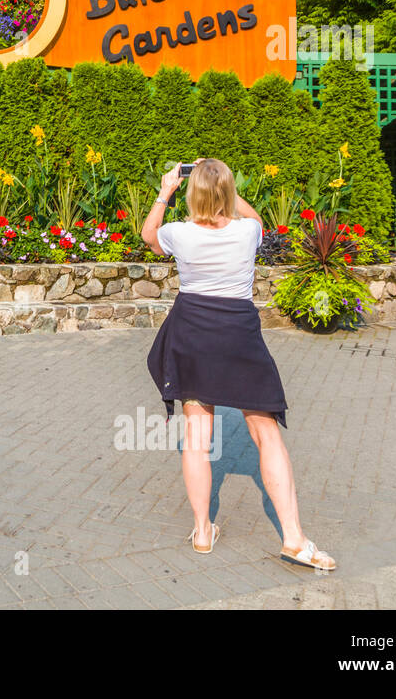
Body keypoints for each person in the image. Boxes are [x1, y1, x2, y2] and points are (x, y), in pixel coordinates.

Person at [142, 158, 336, 571]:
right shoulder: (247, 232)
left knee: (197, 436)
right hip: (238, 335)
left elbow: (148, 237)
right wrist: (226, 193)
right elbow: (256, 218)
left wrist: (165, 191)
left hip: (192, 333)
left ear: (191, 193)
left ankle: (202, 531)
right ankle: (294, 539)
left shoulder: (178, 233)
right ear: (228, 194)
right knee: (266, 433)